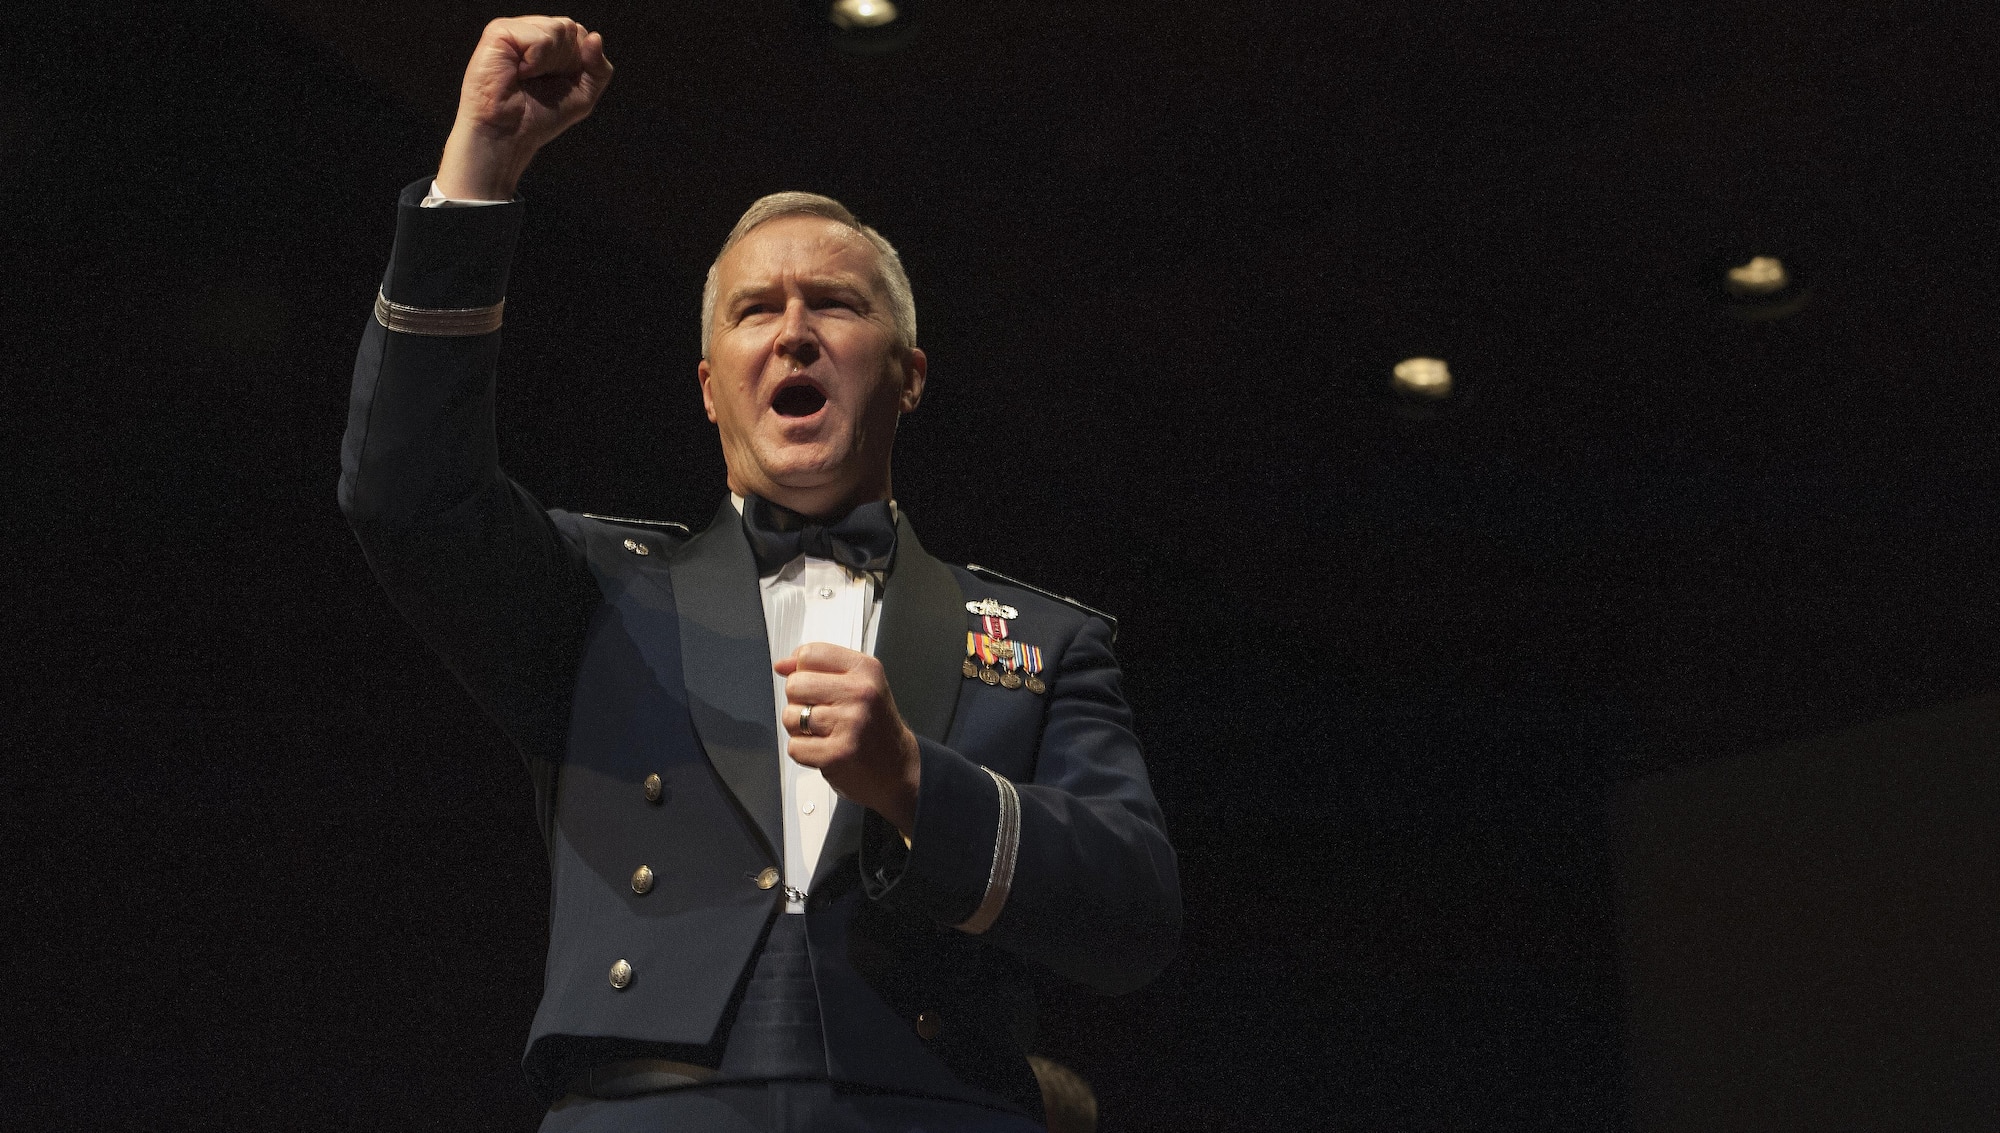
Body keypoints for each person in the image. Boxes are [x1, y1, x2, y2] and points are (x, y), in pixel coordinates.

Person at [338, 16, 1180, 1132]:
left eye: (833, 304)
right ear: (706, 383)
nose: (792, 332)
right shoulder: (598, 594)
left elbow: (1133, 915)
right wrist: (478, 168)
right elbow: (406, 492)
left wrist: (917, 785)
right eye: (754, 310)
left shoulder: (1040, 639)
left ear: (910, 374)